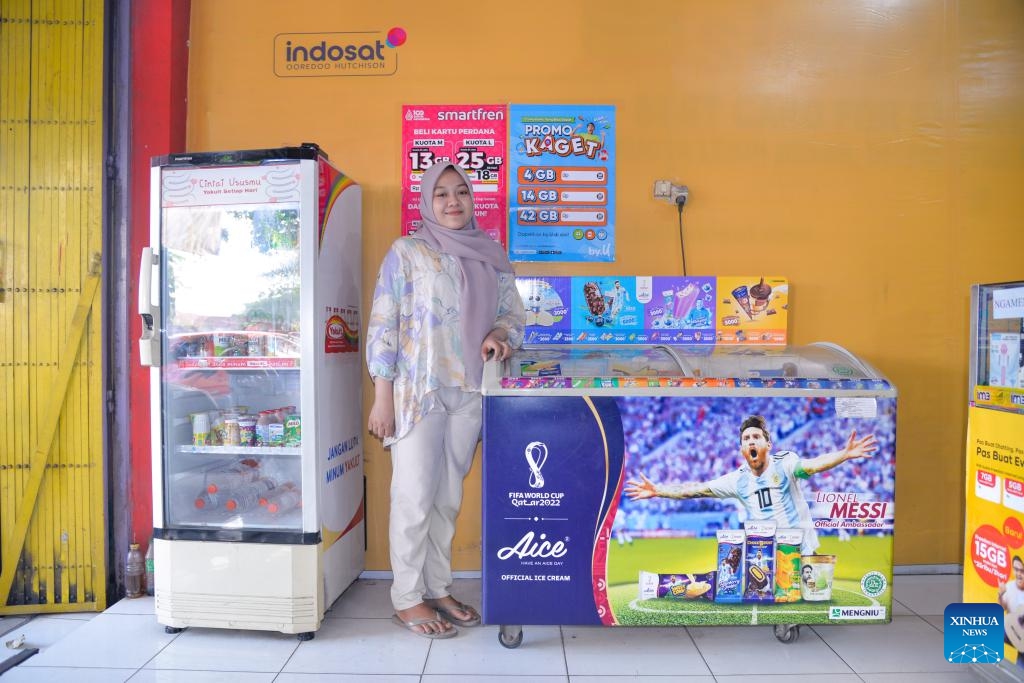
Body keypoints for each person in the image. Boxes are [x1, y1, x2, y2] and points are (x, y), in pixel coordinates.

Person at [366, 162, 525, 639]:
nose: (453, 202)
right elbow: (383, 324)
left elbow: (512, 314)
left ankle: (436, 586)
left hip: (470, 391)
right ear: (426, 202)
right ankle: (407, 597)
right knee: (413, 496)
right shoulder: (407, 252)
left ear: (473, 199)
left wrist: (500, 333)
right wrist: (382, 397)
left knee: (447, 499)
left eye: (460, 193)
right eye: (441, 194)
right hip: (418, 392)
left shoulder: (490, 255)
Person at [624, 414, 878, 555]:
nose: (751, 441)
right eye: (746, 438)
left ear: (768, 444)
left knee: (803, 600)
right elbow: (695, 489)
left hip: (802, 549)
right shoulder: (737, 480)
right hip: (765, 550)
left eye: (756, 436)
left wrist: (842, 455)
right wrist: (658, 491)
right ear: (742, 449)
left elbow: (813, 465)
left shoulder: (786, 464)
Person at [998, 554, 1024, 668]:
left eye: (1022, 571)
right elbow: (1000, 609)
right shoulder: (1009, 587)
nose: (1019, 574)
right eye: (1016, 569)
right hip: (1010, 629)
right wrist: (1000, 594)